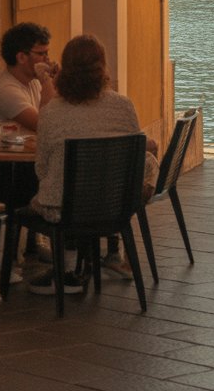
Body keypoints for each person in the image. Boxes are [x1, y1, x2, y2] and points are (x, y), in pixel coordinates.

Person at [27, 34, 157, 294]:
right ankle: (99, 260)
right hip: (115, 207)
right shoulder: (123, 105)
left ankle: (63, 272)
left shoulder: (52, 112)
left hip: (64, 209)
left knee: (40, 197)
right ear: (103, 67)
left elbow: (41, 169)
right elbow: (134, 157)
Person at [0, 22, 59, 135]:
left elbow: (60, 113)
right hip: (4, 152)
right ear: (21, 57)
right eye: (41, 53)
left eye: (47, 53)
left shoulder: (33, 81)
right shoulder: (5, 89)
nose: (47, 59)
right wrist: (46, 80)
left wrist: (59, 79)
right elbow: (45, 126)